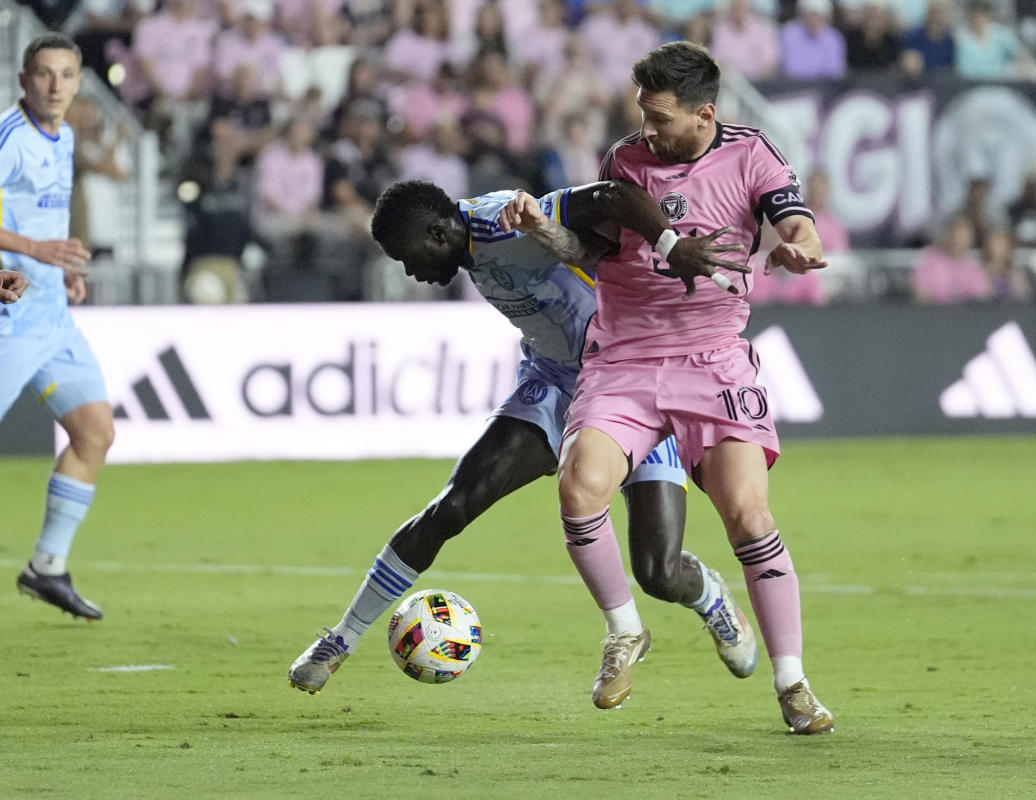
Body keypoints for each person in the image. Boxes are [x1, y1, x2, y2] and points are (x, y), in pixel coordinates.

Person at [287, 177, 757, 694]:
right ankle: (339, 641)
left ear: (438, 232)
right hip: (554, 385)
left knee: (658, 572)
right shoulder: (463, 243)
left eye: (408, 256)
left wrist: (671, 244)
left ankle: (710, 596)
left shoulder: (501, 223)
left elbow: (612, 196)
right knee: (453, 506)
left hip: (634, 382)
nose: (411, 272)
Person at [534, 40, 835, 734]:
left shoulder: (753, 154)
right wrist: (554, 237)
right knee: (579, 486)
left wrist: (797, 243)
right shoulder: (625, 160)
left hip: (712, 359)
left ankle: (793, 686)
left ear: (704, 115)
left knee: (748, 517)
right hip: (628, 358)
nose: (647, 130)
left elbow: (792, 215)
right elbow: (604, 243)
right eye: (643, 114)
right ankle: (623, 633)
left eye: (661, 118)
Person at [0, 34, 113, 621]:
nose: (55, 86)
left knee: (94, 433)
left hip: (53, 316)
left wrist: (61, 268)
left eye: (66, 75)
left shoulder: (64, 135)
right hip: (9, 318)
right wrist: (33, 250)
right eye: (44, 74)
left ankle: (47, 567)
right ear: (24, 79)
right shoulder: (10, 138)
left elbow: (47, 209)